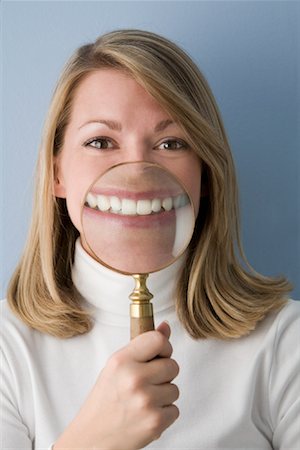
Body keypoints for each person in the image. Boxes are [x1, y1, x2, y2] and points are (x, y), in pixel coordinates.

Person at [1, 29, 299, 450]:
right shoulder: (6, 346)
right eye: (100, 141)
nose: (137, 170)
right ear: (57, 174)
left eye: (170, 142)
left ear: (206, 174)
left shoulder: (287, 339)